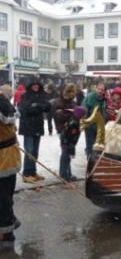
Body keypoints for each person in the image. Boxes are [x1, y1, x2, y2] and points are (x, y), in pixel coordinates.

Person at [18, 77, 51, 183]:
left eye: (37, 85)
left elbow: (48, 106)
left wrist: (37, 106)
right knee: (29, 150)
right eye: (34, 85)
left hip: (38, 126)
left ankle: (33, 172)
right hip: (28, 127)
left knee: (35, 151)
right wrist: (38, 107)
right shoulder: (25, 96)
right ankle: (26, 173)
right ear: (30, 86)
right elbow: (26, 110)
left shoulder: (41, 95)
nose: (36, 86)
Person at [0, 89, 21, 245]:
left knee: (4, 197)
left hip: (5, 158)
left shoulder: (3, 104)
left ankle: (7, 234)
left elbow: (8, 117)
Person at [53, 83, 86, 181]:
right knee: (65, 151)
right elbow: (59, 117)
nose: (72, 94)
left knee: (69, 150)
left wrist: (78, 114)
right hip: (63, 129)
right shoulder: (58, 102)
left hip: (72, 129)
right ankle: (64, 174)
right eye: (71, 92)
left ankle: (68, 173)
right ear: (66, 92)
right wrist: (71, 113)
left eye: (74, 92)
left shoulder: (73, 102)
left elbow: (75, 115)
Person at [81, 80, 108, 158]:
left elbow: (103, 111)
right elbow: (84, 109)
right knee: (90, 147)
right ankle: (90, 164)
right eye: (98, 89)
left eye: (102, 90)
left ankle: (95, 162)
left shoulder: (103, 99)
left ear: (104, 91)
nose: (100, 91)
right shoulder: (90, 97)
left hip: (99, 127)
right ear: (96, 88)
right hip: (90, 126)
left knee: (97, 147)